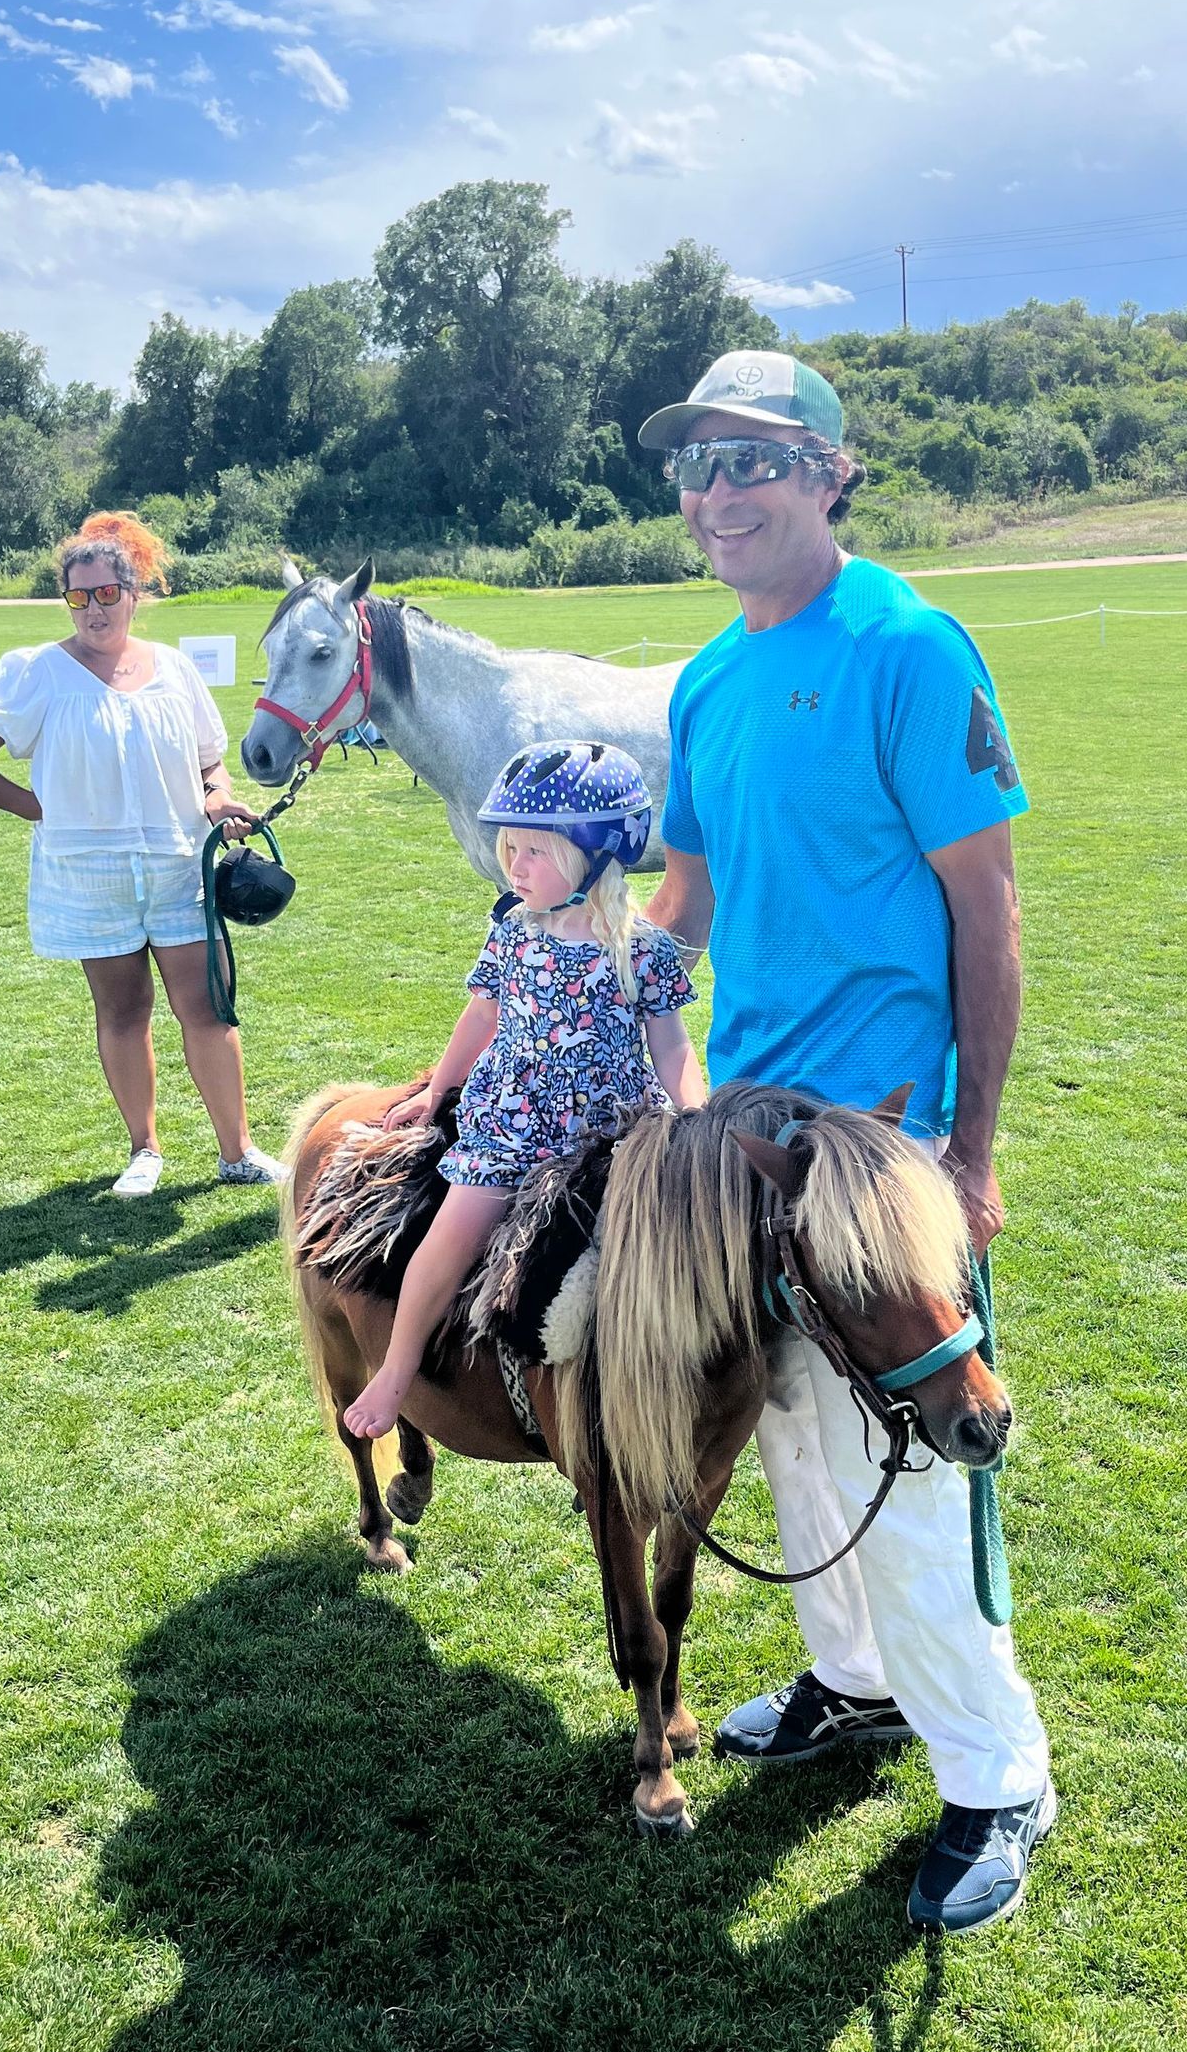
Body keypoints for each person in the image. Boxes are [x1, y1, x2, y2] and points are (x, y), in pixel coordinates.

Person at [637, 350, 1054, 1936]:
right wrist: (607, 970)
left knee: (923, 1457)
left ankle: (999, 1774)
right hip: (746, 1133)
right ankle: (853, 1685)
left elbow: (983, 905)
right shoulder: (704, 678)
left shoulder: (906, 645)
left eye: (754, 464)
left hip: (888, 1141)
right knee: (793, 1430)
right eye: (698, 468)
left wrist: (979, 1150)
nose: (719, 494)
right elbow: (690, 895)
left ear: (832, 474)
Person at [343, 742, 704, 1440]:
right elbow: (481, 1015)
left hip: (614, 1124)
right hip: (513, 1123)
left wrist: (692, 1109)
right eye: (509, 849)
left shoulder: (643, 948)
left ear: (595, 854)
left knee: (670, 1238)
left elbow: (670, 1041)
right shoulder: (513, 932)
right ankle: (396, 1370)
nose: (515, 866)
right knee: (449, 1235)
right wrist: (437, 1090)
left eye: (533, 852)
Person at [0, 509, 283, 1198]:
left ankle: (237, 1151)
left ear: (133, 595)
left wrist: (219, 799)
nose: (93, 610)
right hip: (88, 874)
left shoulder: (176, 670)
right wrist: (39, 810)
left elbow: (210, 763)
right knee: (123, 1012)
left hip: (178, 865)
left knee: (207, 1008)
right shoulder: (36, 672)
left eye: (105, 594)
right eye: (78, 596)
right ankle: (145, 1150)